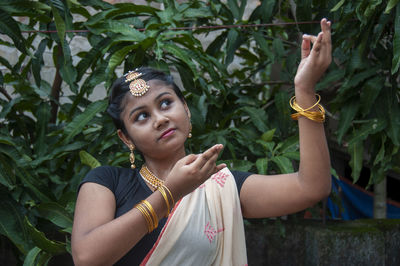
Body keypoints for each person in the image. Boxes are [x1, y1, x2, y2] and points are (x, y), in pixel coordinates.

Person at [71, 18, 332, 266]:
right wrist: (170, 194)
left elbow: (311, 187)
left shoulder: (220, 186)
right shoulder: (106, 182)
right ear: (126, 137)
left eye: (165, 103)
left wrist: (305, 90)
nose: (160, 119)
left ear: (185, 109)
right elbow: (87, 258)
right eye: (141, 116)